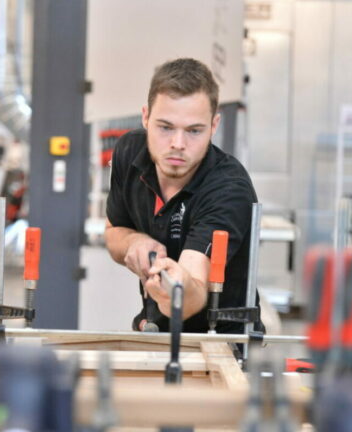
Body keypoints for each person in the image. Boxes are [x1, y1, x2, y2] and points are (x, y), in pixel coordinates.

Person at [104, 58, 261, 334]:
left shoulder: (228, 188)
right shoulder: (129, 153)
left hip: (220, 343)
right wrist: (133, 241)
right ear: (145, 117)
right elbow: (114, 232)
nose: (178, 144)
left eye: (194, 131)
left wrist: (177, 289)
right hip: (154, 332)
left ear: (214, 125)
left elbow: (194, 292)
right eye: (165, 127)